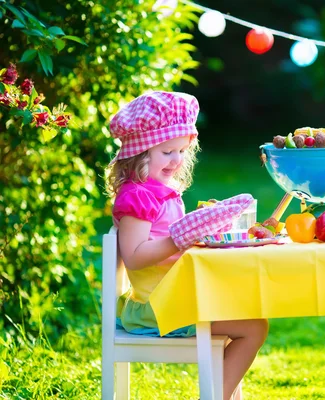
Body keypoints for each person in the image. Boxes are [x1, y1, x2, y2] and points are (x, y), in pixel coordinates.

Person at [105, 91, 269, 400]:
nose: (177, 160)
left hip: (176, 298)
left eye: (182, 150)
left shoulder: (159, 192)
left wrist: (203, 228)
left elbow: (171, 239)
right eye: (168, 151)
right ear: (140, 153)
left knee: (250, 311)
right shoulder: (138, 197)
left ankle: (216, 391)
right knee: (254, 328)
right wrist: (179, 238)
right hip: (159, 308)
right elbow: (136, 257)